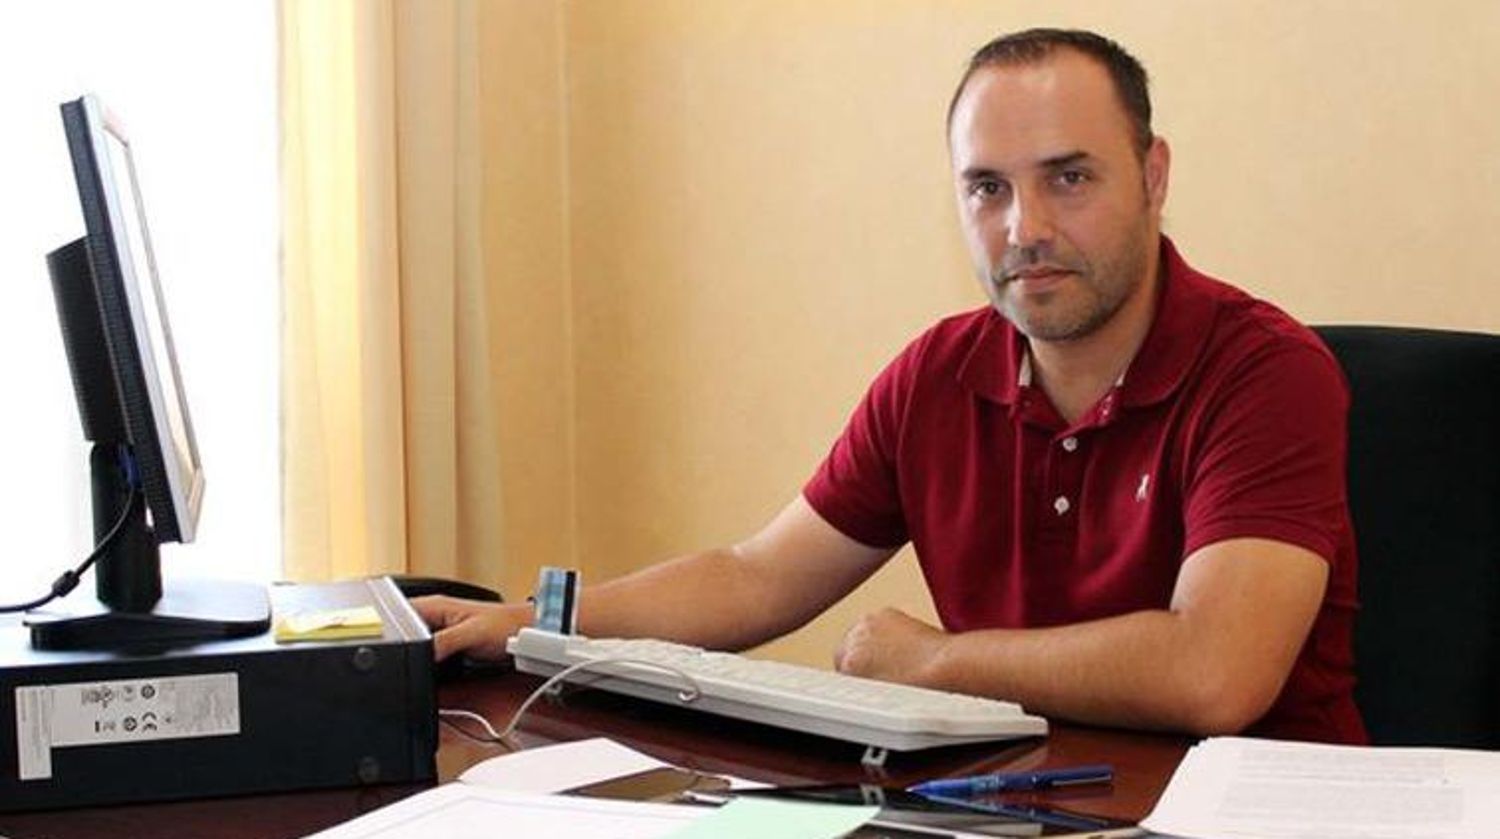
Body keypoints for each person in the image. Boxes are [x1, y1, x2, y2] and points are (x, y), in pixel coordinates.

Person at [415, 28, 1366, 744]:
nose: (1025, 228)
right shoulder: (937, 375)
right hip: (1010, 801)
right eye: (987, 188)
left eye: (1070, 177)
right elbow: (757, 576)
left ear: (1154, 176)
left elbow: (1215, 671)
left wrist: (935, 661)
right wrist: (533, 623)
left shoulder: (1265, 371)